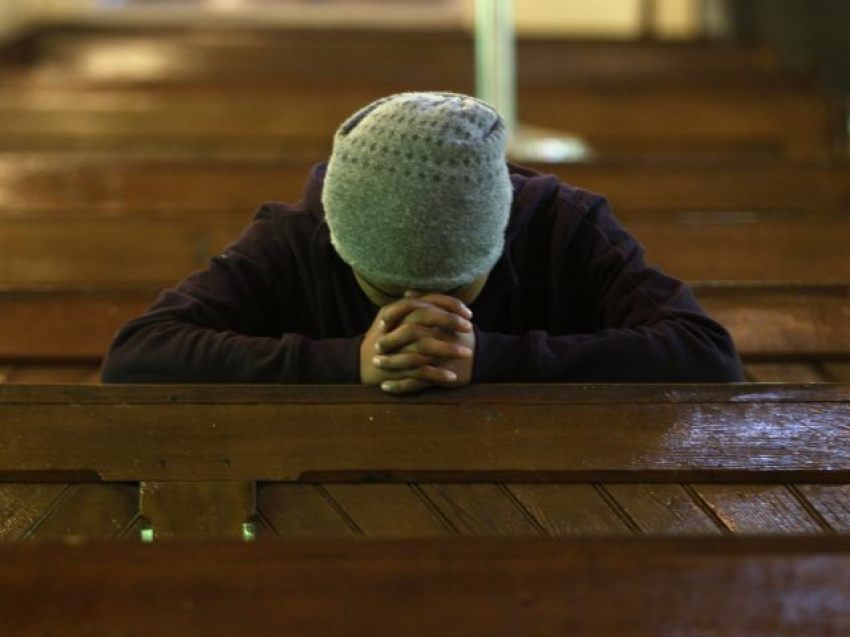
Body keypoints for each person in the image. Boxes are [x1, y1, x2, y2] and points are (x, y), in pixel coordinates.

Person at [101, 91, 744, 393]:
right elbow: (138, 354)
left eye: (456, 290)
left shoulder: (561, 224)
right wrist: (348, 362)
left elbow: (707, 355)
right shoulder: (301, 233)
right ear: (341, 245)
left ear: (501, 236)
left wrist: (491, 358)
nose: (419, 319)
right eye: (386, 291)